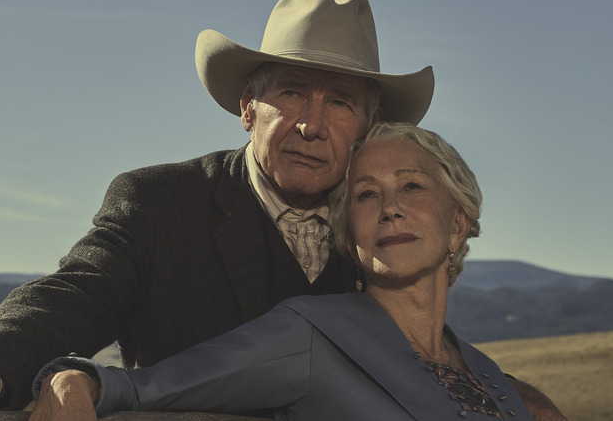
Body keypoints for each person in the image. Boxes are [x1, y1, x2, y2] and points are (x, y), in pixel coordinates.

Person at [0, 0, 565, 420]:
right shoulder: (161, 201)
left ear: (367, 125)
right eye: (291, 92)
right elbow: (76, 295)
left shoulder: (383, 234)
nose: (311, 123)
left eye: (340, 102)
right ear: (246, 106)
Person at [28, 122, 541, 421]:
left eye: (411, 186)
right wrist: (77, 378)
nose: (389, 207)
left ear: (457, 225)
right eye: (366, 194)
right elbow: (147, 387)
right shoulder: (310, 333)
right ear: (348, 236)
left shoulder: (487, 374)